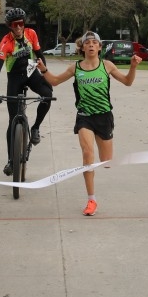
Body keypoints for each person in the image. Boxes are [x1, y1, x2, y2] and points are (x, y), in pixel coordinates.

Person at [36, 31, 140, 216]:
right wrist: (44, 70)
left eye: (94, 42)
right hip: (84, 116)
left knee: (106, 161)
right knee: (87, 154)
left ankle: (100, 166)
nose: (91, 45)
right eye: (87, 43)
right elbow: (55, 81)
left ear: (100, 47)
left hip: (105, 117)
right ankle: (91, 199)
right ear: (82, 47)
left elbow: (127, 82)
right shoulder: (75, 68)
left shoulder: (106, 65)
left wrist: (132, 67)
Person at [0, 8, 53, 176]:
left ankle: (35, 128)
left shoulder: (31, 34)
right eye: (14, 25)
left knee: (48, 94)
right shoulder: (6, 42)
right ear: (10, 26)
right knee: (12, 120)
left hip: (31, 72)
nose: (18, 27)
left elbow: (39, 55)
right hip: (14, 77)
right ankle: (11, 160)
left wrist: (45, 73)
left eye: (21, 24)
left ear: (24, 24)